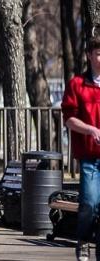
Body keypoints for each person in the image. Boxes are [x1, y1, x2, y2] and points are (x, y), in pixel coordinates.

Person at [61, 37, 100, 261]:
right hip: (90, 158)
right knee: (89, 202)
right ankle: (84, 240)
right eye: (98, 54)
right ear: (89, 55)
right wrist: (92, 131)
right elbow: (69, 119)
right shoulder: (77, 84)